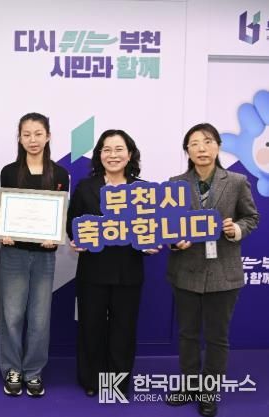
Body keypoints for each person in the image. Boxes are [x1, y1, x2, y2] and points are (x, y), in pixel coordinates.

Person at [165, 123, 258, 417]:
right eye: (194, 143)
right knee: (187, 335)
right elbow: (167, 225)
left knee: (217, 337)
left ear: (218, 146)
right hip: (186, 269)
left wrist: (235, 229)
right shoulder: (175, 184)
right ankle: (189, 385)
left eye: (207, 141)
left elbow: (251, 218)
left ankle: (209, 391)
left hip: (223, 272)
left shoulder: (237, 181)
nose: (201, 148)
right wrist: (174, 241)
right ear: (187, 150)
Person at [67, 129, 160, 397]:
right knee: (90, 327)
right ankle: (90, 379)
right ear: (99, 155)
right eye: (106, 150)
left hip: (128, 272)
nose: (113, 155)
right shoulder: (86, 187)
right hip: (93, 271)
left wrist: (151, 244)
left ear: (130, 154)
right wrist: (76, 239)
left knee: (124, 330)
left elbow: (153, 227)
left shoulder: (143, 190)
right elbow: (72, 222)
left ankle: (117, 382)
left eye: (119, 149)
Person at [0, 113, 70, 397]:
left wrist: (56, 235)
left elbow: (61, 214)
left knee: (40, 318)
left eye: (38, 134)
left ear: (48, 136)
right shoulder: (9, 171)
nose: (33, 140)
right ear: (19, 138)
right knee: (12, 316)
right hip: (13, 253)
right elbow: (4, 209)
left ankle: (34, 371)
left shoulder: (60, 174)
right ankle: (12, 369)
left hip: (44, 256)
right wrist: (4, 230)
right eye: (26, 134)